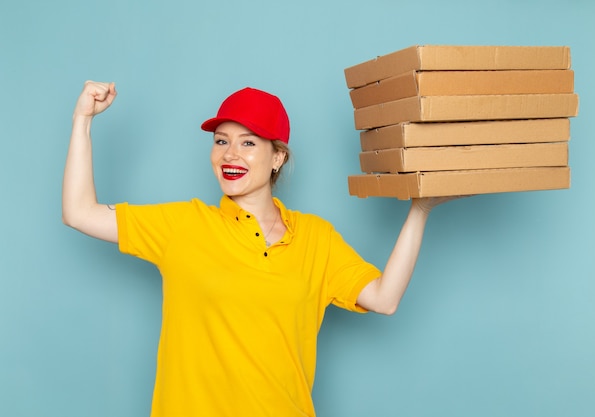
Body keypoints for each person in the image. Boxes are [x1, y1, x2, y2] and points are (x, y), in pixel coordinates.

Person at [62, 81, 457, 417]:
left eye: (248, 143)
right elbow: (79, 212)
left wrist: (419, 210)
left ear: (277, 157)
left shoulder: (316, 239)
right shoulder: (181, 225)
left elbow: (384, 298)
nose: (229, 154)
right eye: (221, 141)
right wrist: (83, 121)